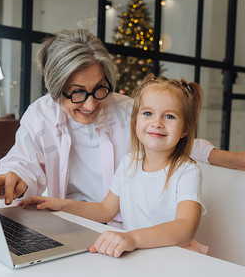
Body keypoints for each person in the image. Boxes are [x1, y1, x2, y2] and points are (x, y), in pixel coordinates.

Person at [0, 28, 245, 207]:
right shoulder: (40, 115)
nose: (91, 104)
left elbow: (176, 141)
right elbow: (23, 165)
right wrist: (12, 180)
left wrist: (237, 159)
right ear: (55, 91)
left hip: (116, 224)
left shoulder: (123, 109)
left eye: (99, 89)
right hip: (67, 221)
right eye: (77, 93)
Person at [20, 75, 208, 257]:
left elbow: (185, 228)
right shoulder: (128, 163)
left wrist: (132, 238)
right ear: (135, 120)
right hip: (138, 255)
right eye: (148, 113)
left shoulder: (186, 171)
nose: (156, 123)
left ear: (185, 129)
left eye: (169, 116)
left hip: (174, 258)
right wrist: (61, 205)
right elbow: (104, 211)